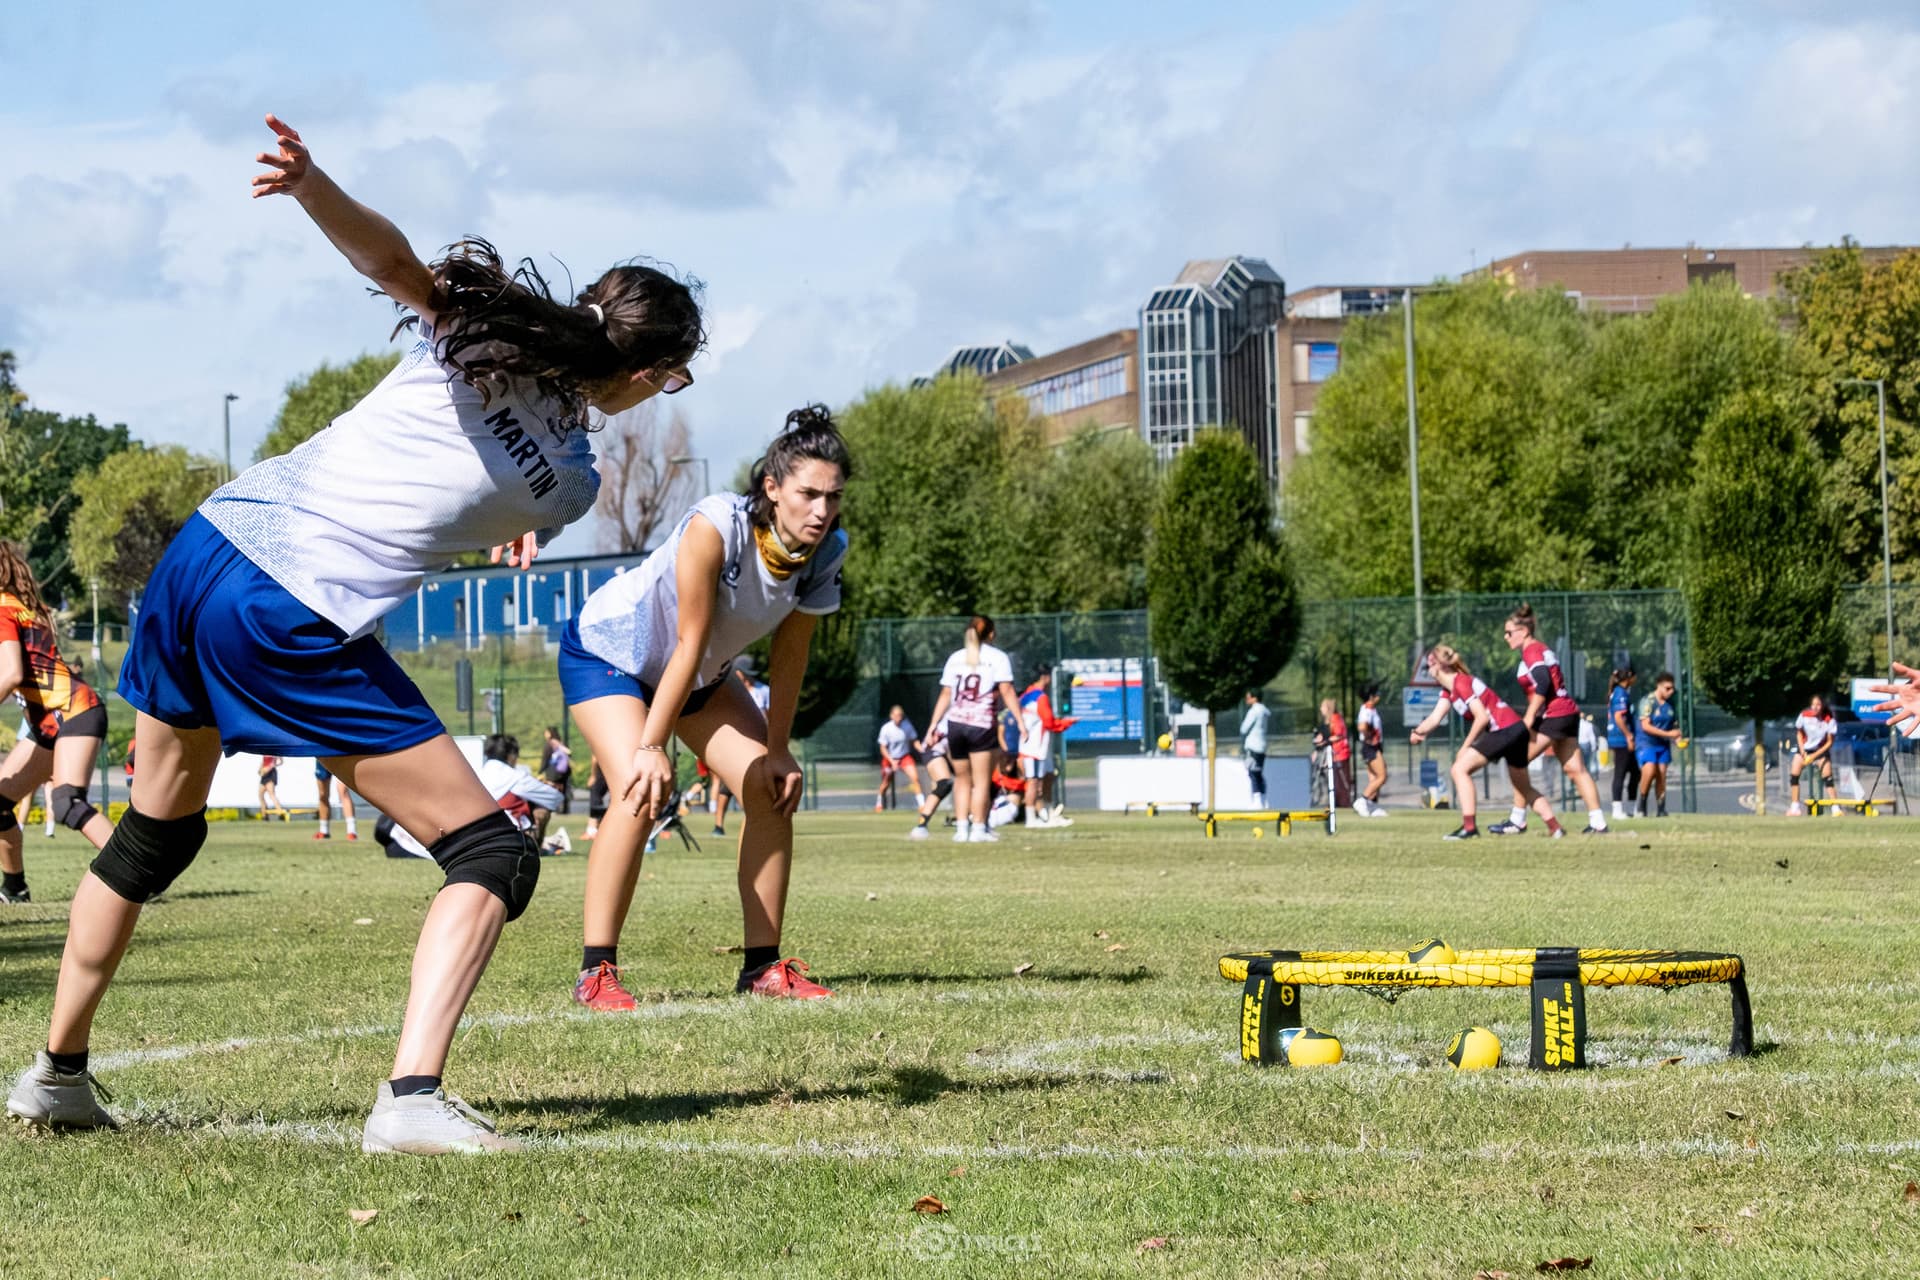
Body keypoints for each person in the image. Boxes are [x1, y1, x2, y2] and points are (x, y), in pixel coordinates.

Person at [4, 112, 705, 1153]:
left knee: (154, 832)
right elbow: (484, 500)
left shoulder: (474, 329)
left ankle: (56, 1073)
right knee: (491, 853)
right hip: (288, 604)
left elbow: (390, 260)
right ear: (649, 377)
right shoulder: (570, 482)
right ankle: (412, 1095)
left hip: (204, 550)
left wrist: (312, 181)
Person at [563, 408, 850, 1013]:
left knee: (771, 789)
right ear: (772, 489)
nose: (821, 510)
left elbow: (790, 655)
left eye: (833, 496)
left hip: (700, 678)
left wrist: (776, 748)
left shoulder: (825, 553)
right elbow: (688, 640)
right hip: (610, 656)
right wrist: (649, 749)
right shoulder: (716, 525)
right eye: (807, 494)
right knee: (638, 791)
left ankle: (763, 969)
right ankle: (596, 972)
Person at [0, 543, 116, 906]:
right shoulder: (25, 608)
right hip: (52, 722)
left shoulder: (3, 609)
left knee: (66, 802)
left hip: (74, 712)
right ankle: (15, 889)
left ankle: (138, 874)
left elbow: (11, 673)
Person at [1408, 645, 1564, 841]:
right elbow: (1435, 717)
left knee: (1459, 769)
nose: (1428, 670)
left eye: (1429, 664)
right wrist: (1418, 732)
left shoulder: (1461, 683)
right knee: (1523, 786)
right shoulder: (1449, 689)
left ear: (1438, 666)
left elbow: (1481, 718)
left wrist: (1464, 748)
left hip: (1504, 731)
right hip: (1516, 730)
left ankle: (1469, 827)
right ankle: (1555, 827)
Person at [1499, 604, 1607, 835]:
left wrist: (1529, 716)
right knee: (1576, 769)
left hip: (1554, 714)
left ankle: (1518, 819)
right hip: (1567, 712)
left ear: (1524, 631)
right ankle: (1598, 822)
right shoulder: (1540, 649)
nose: (1505, 637)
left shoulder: (1532, 651)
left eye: (1509, 632)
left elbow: (1544, 682)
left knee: (1516, 761)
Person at [925, 616, 1022, 844]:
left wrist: (932, 725)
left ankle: (961, 829)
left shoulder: (956, 657)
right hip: (981, 724)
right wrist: (1020, 720)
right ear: (991, 634)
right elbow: (1006, 690)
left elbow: (946, 695)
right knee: (981, 781)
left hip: (955, 724)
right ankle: (978, 828)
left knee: (961, 779)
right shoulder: (997, 658)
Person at [1017, 667, 1075, 827]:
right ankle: (1031, 818)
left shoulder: (1025, 696)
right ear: (1044, 677)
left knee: (1048, 777)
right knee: (1033, 782)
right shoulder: (1040, 697)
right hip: (1034, 748)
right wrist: (1068, 722)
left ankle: (1049, 815)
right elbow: (1049, 722)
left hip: (1036, 747)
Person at [1635, 672, 1682, 817]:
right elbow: (1646, 726)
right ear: (1659, 686)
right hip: (1647, 742)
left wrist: (1677, 737)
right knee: (1649, 771)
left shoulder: (1671, 703)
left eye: (1672, 688)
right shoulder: (1648, 701)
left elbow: (1674, 724)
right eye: (1667, 688)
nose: (1671, 691)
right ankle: (1641, 805)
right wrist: (1669, 735)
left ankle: (1661, 809)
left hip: (1662, 744)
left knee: (1661, 774)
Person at [1786, 693, 1836, 816]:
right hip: (1805, 749)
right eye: (1813, 704)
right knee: (1794, 776)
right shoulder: (1804, 715)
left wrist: (1815, 756)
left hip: (1820, 750)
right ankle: (1795, 807)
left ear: (1822, 706)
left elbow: (1829, 742)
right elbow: (1799, 733)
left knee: (1828, 778)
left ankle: (1836, 808)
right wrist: (1802, 750)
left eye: (1818, 704)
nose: (1815, 707)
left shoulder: (1828, 719)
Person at [906, 716, 954, 840]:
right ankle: (921, 825)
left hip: (952, 753)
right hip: (934, 750)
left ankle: (971, 821)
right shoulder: (955, 714)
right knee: (944, 784)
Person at [874, 706, 923, 812]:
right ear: (891, 716)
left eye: (900, 715)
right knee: (886, 782)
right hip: (889, 758)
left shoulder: (907, 726)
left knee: (915, 778)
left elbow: (914, 741)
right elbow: (883, 748)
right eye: (896, 715)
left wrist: (922, 749)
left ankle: (922, 805)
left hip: (904, 757)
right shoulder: (886, 728)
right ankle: (879, 804)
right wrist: (892, 761)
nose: (898, 718)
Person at [1605, 668, 1639, 819]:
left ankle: (1632, 807)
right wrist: (1628, 736)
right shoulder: (1620, 693)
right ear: (1629, 677)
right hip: (1621, 739)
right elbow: (1619, 717)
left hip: (1624, 738)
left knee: (1635, 772)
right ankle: (1616, 809)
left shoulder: (1623, 692)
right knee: (1620, 772)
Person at [1313, 697, 1354, 812]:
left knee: (1340, 782)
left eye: (1323, 706)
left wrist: (1325, 740)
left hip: (1339, 754)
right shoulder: (1329, 721)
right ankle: (1335, 803)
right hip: (1333, 755)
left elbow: (1338, 735)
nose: (1321, 709)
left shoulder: (1336, 719)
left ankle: (1344, 805)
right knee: (1333, 782)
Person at [1356, 684, 1388, 816]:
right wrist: (1370, 735)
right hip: (1370, 747)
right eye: (1376, 693)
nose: (1379, 695)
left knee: (1374, 778)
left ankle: (1372, 806)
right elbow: (1362, 726)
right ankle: (1362, 801)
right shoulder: (1367, 709)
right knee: (1382, 776)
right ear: (1371, 696)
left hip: (1374, 746)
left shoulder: (1371, 709)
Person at [313, 759, 358, 841]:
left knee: (343, 791)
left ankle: (351, 831)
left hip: (340, 755)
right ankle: (324, 830)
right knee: (323, 794)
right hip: (322, 755)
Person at [1240, 690, 1271, 807]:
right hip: (1262, 745)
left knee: (1253, 772)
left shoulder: (1254, 711)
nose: (1247, 700)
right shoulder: (1264, 711)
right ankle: (1263, 799)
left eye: (1248, 698)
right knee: (1258, 772)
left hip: (1253, 745)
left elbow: (1244, 728)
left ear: (1255, 698)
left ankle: (1257, 800)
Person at [541, 727, 573, 815]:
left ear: (550, 733)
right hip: (563, 772)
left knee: (552, 789)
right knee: (562, 790)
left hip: (553, 772)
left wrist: (541, 770)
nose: (545, 734)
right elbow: (569, 754)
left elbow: (545, 759)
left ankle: (554, 808)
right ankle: (564, 809)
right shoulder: (561, 743)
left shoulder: (550, 744)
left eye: (546, 732)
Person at [256, 754, 289, 821]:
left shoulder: (275, 751)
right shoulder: (265, 750)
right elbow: (263, 761)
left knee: (271, 794)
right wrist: (260, 769)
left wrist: (272, 766)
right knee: (260, 795)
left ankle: (280, 813)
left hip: (270, 774)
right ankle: (264, 815)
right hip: (264, 774)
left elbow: (281, 761)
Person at [583, 756, 608, 841]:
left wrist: (593, 776)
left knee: (595, 798)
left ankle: (592, 830)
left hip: (602, 772)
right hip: (612, 771)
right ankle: (598, 828)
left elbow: (595, 757)